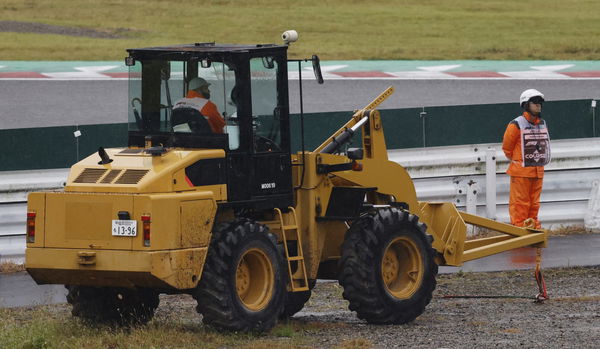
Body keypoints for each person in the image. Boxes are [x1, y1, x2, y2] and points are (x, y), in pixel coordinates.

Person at [502, 89, 551, 229]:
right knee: (520, 204)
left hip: (537, 171)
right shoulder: (516, 124)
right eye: (535, 102)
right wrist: (519, 162)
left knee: (534, 204)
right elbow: (507, 148)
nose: (538, 105)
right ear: (526, 104)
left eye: (540, 102)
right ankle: (520, 231)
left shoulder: (542, 123)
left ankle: (533, 229)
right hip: (521, 172)